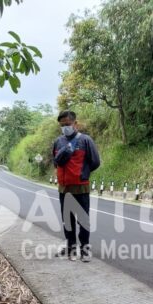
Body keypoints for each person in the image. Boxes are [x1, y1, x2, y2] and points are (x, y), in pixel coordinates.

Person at [52, 110, 100, 262]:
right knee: (67, 219)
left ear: (75, 124)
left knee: (83, 220)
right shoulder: (58, 142)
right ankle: (70, 247)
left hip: (80, 187)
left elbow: (95, 162)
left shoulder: (85, 140)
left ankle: (85, 249)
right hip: (63, 188)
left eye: (67, 124)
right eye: (62, 125)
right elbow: (56, 162)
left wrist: (82, 174)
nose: (65, 127)